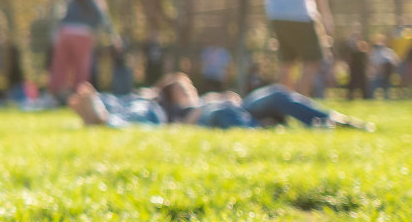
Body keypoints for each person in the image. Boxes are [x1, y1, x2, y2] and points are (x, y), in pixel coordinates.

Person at [70, 74, 372, 131]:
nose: (189, 89)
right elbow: (133, 106)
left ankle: (331, 120)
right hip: (212, 115)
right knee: (223, 109)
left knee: (276, 93)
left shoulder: (203, 99)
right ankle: (261, 131)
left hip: (237, 108)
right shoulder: (165, 108)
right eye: (183, 87)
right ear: (171, 93)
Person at [48, 0, 115, 99]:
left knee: (60, 65)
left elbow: (60, 18)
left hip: (65, 33)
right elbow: (103, 20)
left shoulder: (71, 2)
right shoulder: (94, 2)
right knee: (81, 66)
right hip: (83, 34)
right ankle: (79, 94)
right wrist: (111, 36)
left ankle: (56, 92)